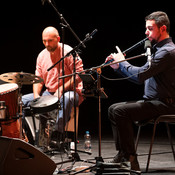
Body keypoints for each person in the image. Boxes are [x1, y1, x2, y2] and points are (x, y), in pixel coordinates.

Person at [105, 11, 175, 172]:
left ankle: (131, 158)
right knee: (113, 109)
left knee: (121, 111)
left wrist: (122, 62)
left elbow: (140, 76)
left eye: (150, 29)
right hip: (155, 102)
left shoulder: (167, 52)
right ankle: (123, 154)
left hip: (166, 105)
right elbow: (139, 75)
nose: (146, 33)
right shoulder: (160, 50)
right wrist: (118, 67)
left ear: (163, 28)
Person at [22, 26, 84, 141]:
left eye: (50, 40)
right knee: (21, 101)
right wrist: (36, 96)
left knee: (67, 98)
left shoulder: (68, 52)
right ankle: (23, 135)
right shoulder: (41, 55)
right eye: (44, 41)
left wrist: (61, 89)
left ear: (58, 38)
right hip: (49, 93)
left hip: (71, 92)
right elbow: (38, 79)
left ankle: (57, 134)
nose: (46, 44)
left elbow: (79, 74)